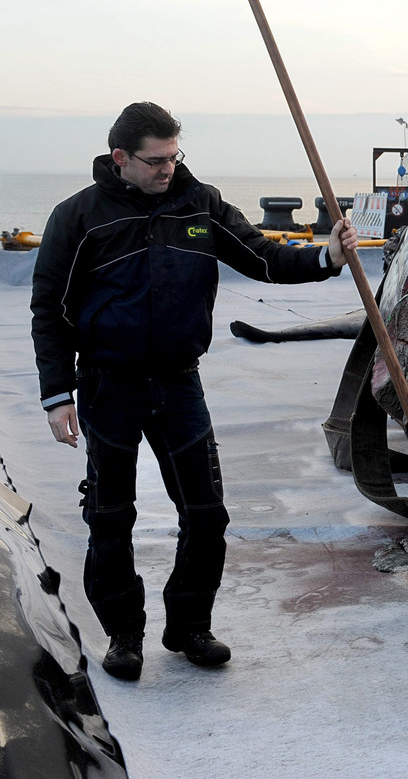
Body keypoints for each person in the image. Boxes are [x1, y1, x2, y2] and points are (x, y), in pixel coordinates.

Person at [30, 102, 359, 681]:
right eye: (156, 161)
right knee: (110, 516)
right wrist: (57, 396)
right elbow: (49, 311)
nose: (168, 169)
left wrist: (327, 256)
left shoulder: (199, 203)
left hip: (180, 383)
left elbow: (264, 256)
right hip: (109, 386)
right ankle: (124, 635)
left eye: (175, 156)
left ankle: (189, 626)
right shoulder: (78, 217)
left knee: (206, 514)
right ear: (120, 159)